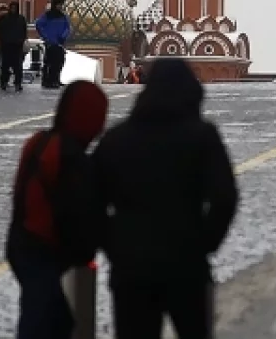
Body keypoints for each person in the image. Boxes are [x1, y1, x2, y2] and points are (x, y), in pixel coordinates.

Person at [94, 59, 238, 339]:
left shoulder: (117, 139)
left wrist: (114, 243)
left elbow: (91, 200)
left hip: (131, 268)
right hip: (186, 264)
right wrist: (204, 243)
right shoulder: (201, 136)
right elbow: (224, 198)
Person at [7, 80, 109, 339]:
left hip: (21, 242)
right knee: (43, 322)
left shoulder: (38, 142)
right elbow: (75, 217)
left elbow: (19, 194)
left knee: (56, 318)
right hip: (44, 250)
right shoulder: (73, 160)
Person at [35, 0, 71, 89]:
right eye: (58, 4)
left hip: (60, 42)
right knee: (50, 62)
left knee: (60, 62)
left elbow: (68, 28)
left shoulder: (63, 16)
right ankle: (48, 81)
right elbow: (39, 25)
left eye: (61, 4)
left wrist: (63, 36)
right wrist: (46, 37)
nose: (60, 6)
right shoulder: (47, 16)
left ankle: (56, 79)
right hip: (51, 43)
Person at [0, 1, 29, 92]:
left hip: (17, 45)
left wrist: (21, 40)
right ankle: (4, 82)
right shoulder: (4, 19)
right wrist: (2, 41)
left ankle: (17, 83)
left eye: (15, 8)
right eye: (12, 8)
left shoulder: (21, 19)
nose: (13, 9)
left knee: (17, 66)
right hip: (6, 45)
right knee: (5, 65)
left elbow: (24, 31)